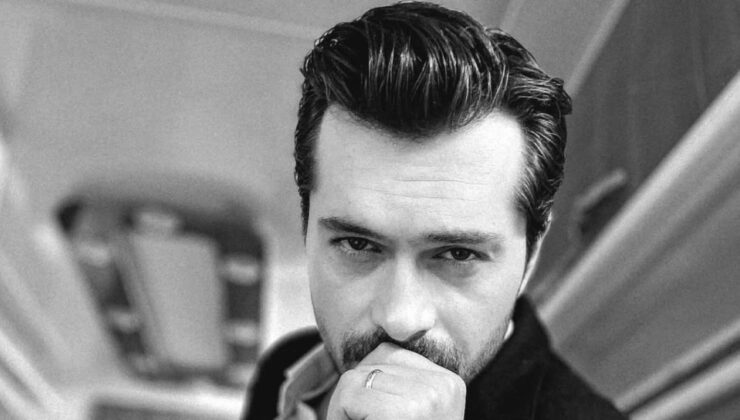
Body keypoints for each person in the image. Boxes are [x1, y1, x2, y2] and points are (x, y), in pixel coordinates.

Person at [243, 2, 626, 419]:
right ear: (307, 232)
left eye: (458, 254)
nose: (399, 319)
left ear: (530, 257)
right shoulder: (285, 364)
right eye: (357, 244)